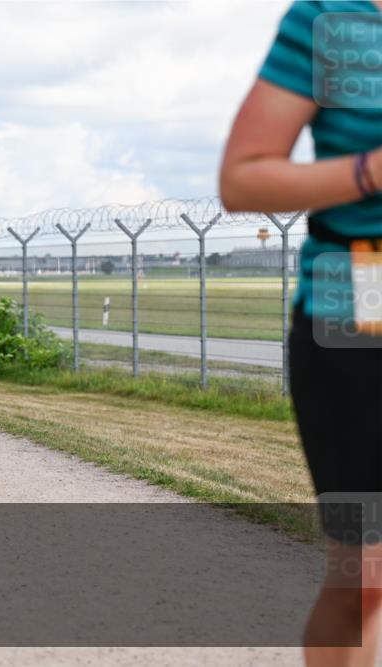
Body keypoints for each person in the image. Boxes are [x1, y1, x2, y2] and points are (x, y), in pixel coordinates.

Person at [220, 3, 382, 665]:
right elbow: (242, 177)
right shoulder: (330, 21)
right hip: (355, 311)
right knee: (366, 572)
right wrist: (371, 171)